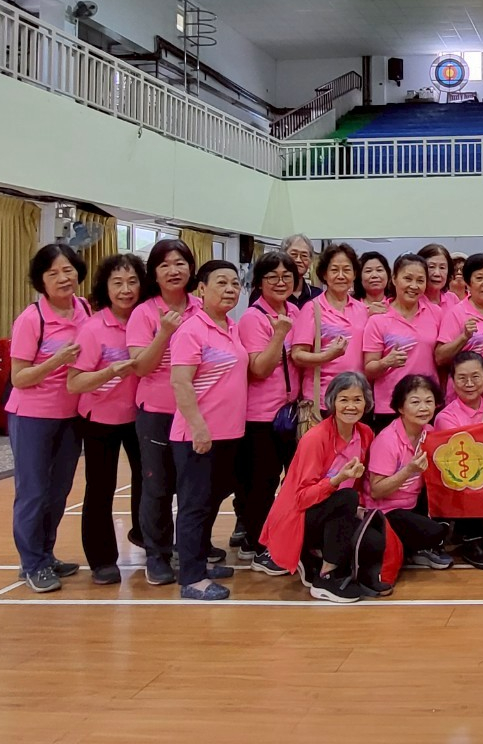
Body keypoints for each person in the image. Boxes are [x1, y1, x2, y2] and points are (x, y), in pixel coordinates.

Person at [260, 372, 395, 603]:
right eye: (344, 400)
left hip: (336, 510)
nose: (351, 406)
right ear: (332, 402)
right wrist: (336, 480)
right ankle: (326, 577)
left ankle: (332, 565)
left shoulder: (365, 433)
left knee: (372, 538)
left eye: (357, 399)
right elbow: (301, 498)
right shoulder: (315, 438)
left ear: (367, 403)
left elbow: (360, 481)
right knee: (346, 498)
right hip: (299, 516)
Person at [6, 243, 90, 593]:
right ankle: (32, 564)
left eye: (68, 270)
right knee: (33, 491)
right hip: (33, 417)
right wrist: (56, 361)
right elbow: (19, 377)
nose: (62, 278)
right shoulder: (32, 319)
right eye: (53, 273)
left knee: (58, 492)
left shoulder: (85, 309)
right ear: (41, 280)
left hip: (71, 416)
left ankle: (45, 553)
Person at [169, 261, 249, 600]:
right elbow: (180, 382)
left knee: (211, 501)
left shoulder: (231, 327)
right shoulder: (191, 330)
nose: (230, 289)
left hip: (229, 434)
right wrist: (199, 428)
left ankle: (199, 560)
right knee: (194, 505)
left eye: (235, 283)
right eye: (221, 283)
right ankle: (191, 578)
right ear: (201, 289)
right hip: (198, 435)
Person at [128, 238, 204, 587]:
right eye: (165, 265)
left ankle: (192, 551)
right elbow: (141, 367)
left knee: (195, 487)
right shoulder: (144, 313)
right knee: (157, 486)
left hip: (196, 412)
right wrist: (164, 333)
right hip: (158, 411)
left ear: (191, 268)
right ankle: (156, 554)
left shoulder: (202, 307)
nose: (174, 271)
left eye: (180, 263)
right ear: (154, 274)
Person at [67, 252, 145, 586]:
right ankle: (102, 560)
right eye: (118, 283)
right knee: (101, 488)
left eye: (132, 282)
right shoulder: (93, 328)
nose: (126, 290)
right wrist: (110, 371)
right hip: (99, 419)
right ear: (105, 287)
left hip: (140, 417)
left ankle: (146, 537)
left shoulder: (148, 320)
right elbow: (74, 383)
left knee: (150, 482)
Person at [234, 251, 301, 573]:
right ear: (259, 283)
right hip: (261, 415)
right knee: (262, 482)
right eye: (272, 276)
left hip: (291, 413)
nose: (280, 282)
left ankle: (281, 537)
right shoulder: (253, 318)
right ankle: (257, 544)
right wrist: (280, 334)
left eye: (286, 276)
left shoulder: (295, 311)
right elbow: (259, 368)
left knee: (293, 480)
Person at [364, 374, 454, 571]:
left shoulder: (429, 432)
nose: (423, 408)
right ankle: (418, 548)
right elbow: (376, 491)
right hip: (386, 511)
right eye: (415, 402)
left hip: (413, 503)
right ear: (400, 408)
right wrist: (409, 470)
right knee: (436, 532)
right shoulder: (387, 440)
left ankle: (416, 548)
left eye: (429, 401)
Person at [434, 352, 483, 570]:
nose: (469, 383)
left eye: (475, 376)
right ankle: (471, 540)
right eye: (462, 378)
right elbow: (461, 458)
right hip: (464, 488)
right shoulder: (445, 417)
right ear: (452, 381)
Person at [364, 253, 441, 432]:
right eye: (407, 278)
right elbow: (369, 369)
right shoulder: (378, 319)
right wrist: (386, 362)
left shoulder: (436, 313)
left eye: (420, 280)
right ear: (394, 279)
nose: (414, 286)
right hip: (390, 405)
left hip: (426, 405)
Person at [291, 243, 367, 415]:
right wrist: (327, 356)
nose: (341, 275)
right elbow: (297, 355)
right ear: (324, 274)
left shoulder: (362, 309)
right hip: (321, 398)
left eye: (346, 270)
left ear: (355, 274)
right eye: (334, 270)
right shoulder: (312, 308)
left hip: (355, 396)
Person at [436, 253, 483, 405]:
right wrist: (464, 337)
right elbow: (440, 358)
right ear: (468, 283)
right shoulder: (456, 313)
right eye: (479, 278)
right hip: (464, 397)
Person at [282, 233, 321, 307]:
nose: (298, 260)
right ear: (282, 256)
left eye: (304, 255)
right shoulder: (271, 293)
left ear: (310, 261)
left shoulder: (318, 296)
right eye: (294, 254)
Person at [419, 242, 460, 309]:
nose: (437, 273)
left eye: (442, 268)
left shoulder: (452, 299)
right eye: (431, 267)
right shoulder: (414, 301)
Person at [354, 251, 392, 315]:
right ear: (359, 277)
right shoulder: (351, 306)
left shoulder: (395, 304)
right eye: (368, 271)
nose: (374, 275)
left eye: (379, 270)